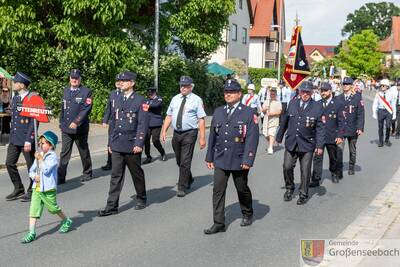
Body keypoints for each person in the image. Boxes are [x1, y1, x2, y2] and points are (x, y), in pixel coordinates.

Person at [204, 79, 259, 234]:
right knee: (218, 190)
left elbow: (252, 139)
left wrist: (248, 159)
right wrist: (210, 157)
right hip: (221, 158)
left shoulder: (249, 113)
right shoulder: (219, 111)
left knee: (241, 188)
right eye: (226, 92)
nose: (228, 95)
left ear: (239, 94)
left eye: (232, 92)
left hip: (239, 159)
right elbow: (213, 137)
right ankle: (219, 222)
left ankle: (247, 212)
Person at [98, 71, 149, 216]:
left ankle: (141, 197)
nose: (121, 83)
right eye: (120, 80)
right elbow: (114, 122)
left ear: (132, 83)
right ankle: (111, 206)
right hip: (117, 143)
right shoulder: (117, 98)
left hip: (132, 143)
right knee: (116, 175)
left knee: (136, 173)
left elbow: (142, 124)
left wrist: (139, 143)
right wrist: (110, 143)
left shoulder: (140, 100)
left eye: (125, 81)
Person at [276, 81, 325, 205]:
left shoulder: (317, 106)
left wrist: (319, 145)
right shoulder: (292, 103)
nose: (305, 94)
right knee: (286, 166)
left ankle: (303, 193)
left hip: (307, 143)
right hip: (291, 141)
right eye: (303, 91)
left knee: (305, 170)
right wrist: (279, 136)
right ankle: (289, 188)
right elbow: (285, 121)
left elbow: (320, 128)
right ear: (299, 91)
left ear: (312, 93)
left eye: (308, 92)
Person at [21, 131, 72, 243]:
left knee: (53, 209)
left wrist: (40, 159)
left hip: (48, 188)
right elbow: (31, 170)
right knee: (33, 210)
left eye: (44, 143)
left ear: (51, 145)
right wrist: (35, 176)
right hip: (37, 188)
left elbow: (47, 170)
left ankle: (66, 220)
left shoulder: (52, 157)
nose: (41, 145)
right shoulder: (39, 155)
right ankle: (31, 233)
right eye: (40, 143)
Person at [161, 76, 206, 197]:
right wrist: (164, 130)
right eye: (181, 85)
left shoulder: (197, 100)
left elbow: (201, 119)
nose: (183, 88)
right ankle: (189, 178)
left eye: (186, 86)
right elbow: (169, 115)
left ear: (191, 87)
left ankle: (182, 186)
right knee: (179, 160)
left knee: (185, 160)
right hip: (177, 133)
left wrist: (202, 138)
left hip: (190, 133)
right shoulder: (175, 99)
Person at [58, 69, 93, 184]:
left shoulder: (86, 92)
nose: (74, 80)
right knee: (64, 153)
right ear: (69, 79)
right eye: (72, 78)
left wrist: (76, 121)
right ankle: (61, 177)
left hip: (80, 129)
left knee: (83, 151)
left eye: (76, 78)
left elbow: (86, 109)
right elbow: (63, 108)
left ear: (80, 79)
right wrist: (61, 122)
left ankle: (87, 173)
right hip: (66, 128)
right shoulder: (66, 90)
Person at [5, 72, 36, 202]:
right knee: (9, 163)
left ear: (22, 85)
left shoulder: (32, 99)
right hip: (15, 138)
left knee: (31, 167)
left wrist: (29, 139)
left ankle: (33, 190)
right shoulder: (15, 98)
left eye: (15, 82)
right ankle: (18, 188)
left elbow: (35, 121)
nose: (13, 84)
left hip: (26, 139)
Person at [310, 82, 344, 187]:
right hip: (319, 136)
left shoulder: (338, 104)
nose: (323, 93)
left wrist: (339, 135)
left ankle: (334, 173)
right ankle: (316, 178)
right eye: (321, 91)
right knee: (317, 157)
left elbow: (341, 122)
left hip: (332, 136)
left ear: (330, 91)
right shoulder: (317, 104)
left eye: (325, 91)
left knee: (333, 157)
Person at [336, 77, 365, 177]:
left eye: (347, 84)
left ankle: (351, 166)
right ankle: (339, 170)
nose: (345, 86)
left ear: (351, 85)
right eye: (344, 84)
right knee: (339, 150)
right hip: (341, 129)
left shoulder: (357, 97)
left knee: (352, 150)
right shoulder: (338, 98)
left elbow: (360, 113)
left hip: (353, 128)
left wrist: (360, 127)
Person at [101, 73, 122, 171]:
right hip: (113, 122)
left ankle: (120, 162)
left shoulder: (125, 93)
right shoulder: (112, 93)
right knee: (110, 142)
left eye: (120, 81)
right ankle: (109, 163)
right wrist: (105, 120)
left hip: (122, 122)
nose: (118, 83)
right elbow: (108, 108)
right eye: (116, 81)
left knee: (121, 141)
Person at [143, 87, 166, 164]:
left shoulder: (159, 99)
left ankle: (162, 152)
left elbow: (156, 106)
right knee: (146, 140)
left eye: (151, 94)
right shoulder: (147, 100)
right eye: (149, 94)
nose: (150, 95)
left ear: (155, 93)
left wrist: (146, 106)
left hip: (156, 123)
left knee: (155, 140)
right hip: (148, 123)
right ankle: (148, 156)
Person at [372, 79, 396, 147]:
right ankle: (380, 141)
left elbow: (393, 105)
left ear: (387, 86)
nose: (381, 86)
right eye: (381, 85)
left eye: (383, 85)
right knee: (380, 127)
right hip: (380, 111)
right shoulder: (378, 94)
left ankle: (387, 139)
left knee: (388, 127)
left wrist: (394, 114)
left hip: (388, 112)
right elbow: (375, 104)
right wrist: (374, 112)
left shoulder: (391, 94)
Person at [262, 88, 282, 154]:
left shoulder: (278, 102)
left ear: (276, 95)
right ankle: (272, 141)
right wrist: (265, 109)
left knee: (271, 133)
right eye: (271, 94)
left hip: (274, 120)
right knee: (265, 134)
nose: (272, 95)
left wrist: (272, 114)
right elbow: (262, 110)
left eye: (273, 94)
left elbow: (279, 111)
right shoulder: (266, 101)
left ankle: (270, 148)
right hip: (266, 120)